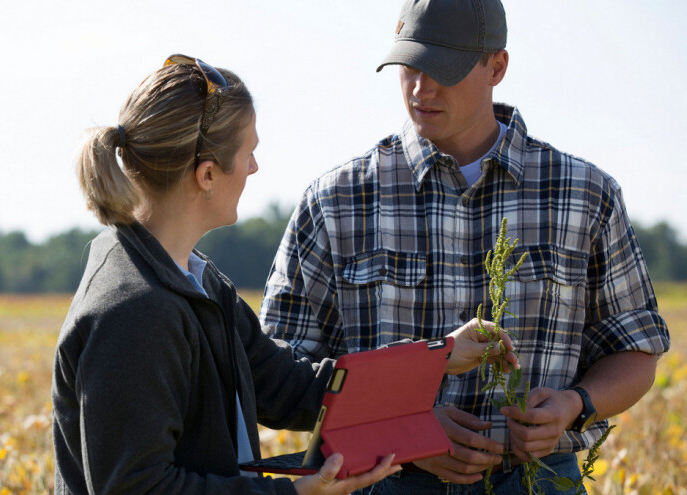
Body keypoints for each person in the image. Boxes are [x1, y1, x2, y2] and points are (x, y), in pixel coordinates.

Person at [51, 54, 519, 495]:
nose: (255, 167)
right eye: (248, 152)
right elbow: (137, 488)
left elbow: (288, 386)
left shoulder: (195, 279)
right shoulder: (135, 310)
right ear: (207, 174)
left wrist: (438, 356)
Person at [260, 1, 671, 493]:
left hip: (541, 481)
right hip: (385, 482)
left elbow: (635, 350)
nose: (420, 87)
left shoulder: (585, 194)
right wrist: (401, 432)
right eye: (409, 65)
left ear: (497, 66)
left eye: (442, 69)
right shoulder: (337, 200)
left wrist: (574, 405)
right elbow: (281, 369)